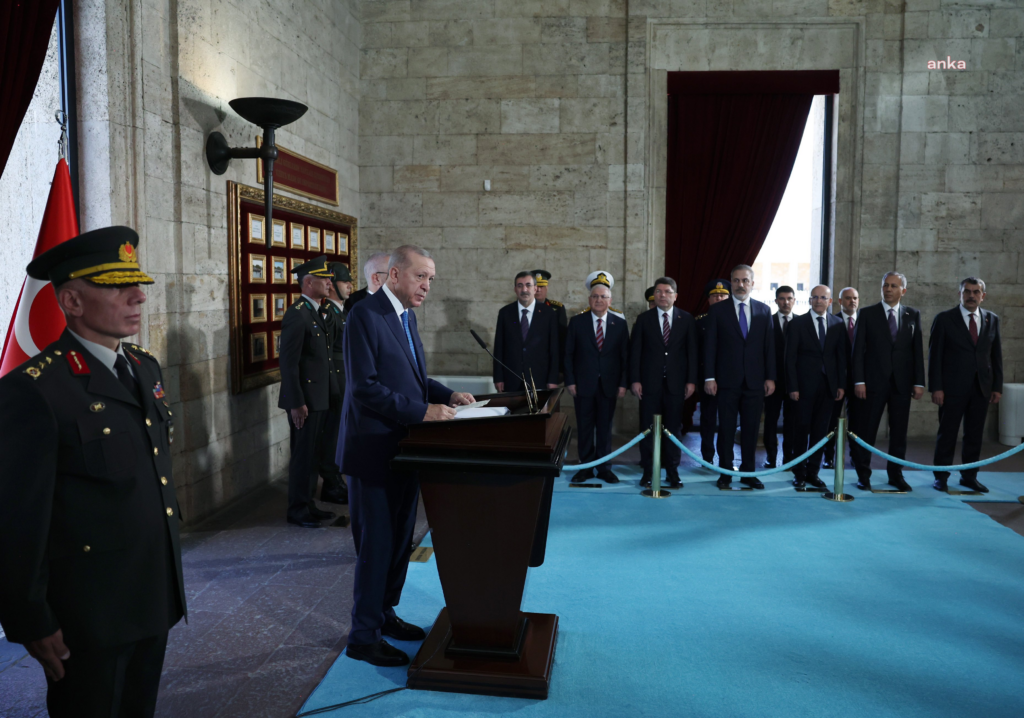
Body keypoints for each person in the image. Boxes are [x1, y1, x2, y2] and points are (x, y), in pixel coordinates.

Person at [0, 226, 186, 718]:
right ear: (72, 301)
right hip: (90, 610)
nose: (138, 296)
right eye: (115, 286)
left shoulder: (144, 367)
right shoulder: (37, 390)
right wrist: (30, 617)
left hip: (151, 590)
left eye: (137, 284)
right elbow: (18, 518)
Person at [338, 245, 474, 667]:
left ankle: (385, 614)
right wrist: (423, 411)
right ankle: (363, 635)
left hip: (403, 450)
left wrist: (445, 394)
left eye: (431, 279)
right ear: (394, 275)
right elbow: (365, 387)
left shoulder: (406, 315)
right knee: (376, 546)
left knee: (400, 542)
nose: (427, 287)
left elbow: (413, 376)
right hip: (372, 452)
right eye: (421, 277)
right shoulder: (365, 314)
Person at [278, 256, 340, 528]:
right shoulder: (297, 313)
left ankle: (308, 504)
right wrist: (296, 402)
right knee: (303, 456)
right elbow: (288, 363)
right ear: (308, 282)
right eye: (324, 278)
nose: (330, 282)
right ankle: (298, 509)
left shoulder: (317, 311)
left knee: (314, 455)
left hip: (321, 398)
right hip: (305, 401)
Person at [850, 273, 925, 492]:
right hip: (872, 383)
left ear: (903, 290)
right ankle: (863, 474)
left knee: (899, 433)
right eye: (885, 285)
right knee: (867, 431)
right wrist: (859, 381)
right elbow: (858, 352)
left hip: (902, 384)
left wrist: (919, 382)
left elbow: (917, 350)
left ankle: (896, 475)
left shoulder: (913, 314)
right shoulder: (867, 313)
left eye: (893, 286)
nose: (888, 289)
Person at [704, 264, 775, 489]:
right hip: (725, 381)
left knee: (751, 429)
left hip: (755, 382)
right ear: (731, 282)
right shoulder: (717, 311)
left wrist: (770, 377)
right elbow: (710, 347)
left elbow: (769, 348)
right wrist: (709, 377)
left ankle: (748, 473)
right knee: (725, 428)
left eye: (745, 280)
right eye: (736, 280)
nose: (741, 284)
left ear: (752, 284)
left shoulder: (764, 311)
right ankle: (725, 472)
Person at [928, 277, 1003, 493]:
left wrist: (996, 387)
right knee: (947, 434)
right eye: (967, 291)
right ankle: (941, 477)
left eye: (976, 292)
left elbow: (996, 356)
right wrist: (937, 387)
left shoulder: (992, 319)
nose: (971, 296)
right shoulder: (944, 319)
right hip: (951, 389)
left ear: (983, 296)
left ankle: (969, 476)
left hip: (981, 388)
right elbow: (935, 357)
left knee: (975, 435)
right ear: (960, 294)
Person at [629, 276, 697, 488]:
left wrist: (691, 381)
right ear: (654, 295)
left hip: (677, 385)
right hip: (649, 385)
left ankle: (673, 472)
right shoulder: (643, 319)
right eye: (659, 291)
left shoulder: (686, 319)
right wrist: (635, 380)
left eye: (667, 292)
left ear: (675, 296)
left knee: (674, 429)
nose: (663, 295)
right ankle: (648, 472)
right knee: (648, 429)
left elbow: (692, 353)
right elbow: (635, 353)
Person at [565, 274, 629, 484]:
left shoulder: (619, 324)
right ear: (589, 299)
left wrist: (622, 383)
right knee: (584, 428)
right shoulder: (576, 322)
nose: (599, 300)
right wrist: (570, 381)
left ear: (610, 301)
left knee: (604, 428)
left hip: (609, 386)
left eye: (603, 296)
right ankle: (585, 467)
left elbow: (624, 357)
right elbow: (569, 355)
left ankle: (604, 467)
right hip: (583, 385)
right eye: (595, 296)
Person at [786, 285, 847, 489]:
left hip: (828, 388)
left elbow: (840, 358)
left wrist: (840, 384)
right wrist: (792, 386)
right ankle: (799, 474)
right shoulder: (797, 323)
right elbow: (790, 358)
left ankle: (813, 472)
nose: (819, 301)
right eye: (815, 297)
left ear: (830, 302)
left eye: (823, 298)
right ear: (809, 300)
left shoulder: (838, 324)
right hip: (803, 388)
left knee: (821, 432)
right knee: (801, 431)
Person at [318, 262, 354, 505]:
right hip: (336, 381)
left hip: (344, 379)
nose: (350, 286)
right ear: (331, 286)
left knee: (339, 433)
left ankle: (336, 480)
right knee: (331, 435)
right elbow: (327, 353)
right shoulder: (328, 314)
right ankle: (331, 483)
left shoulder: (341, 311)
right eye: (345, 282)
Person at [493, 271, 560, 392]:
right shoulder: (505, 313)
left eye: (528, 285)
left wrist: (553, 379)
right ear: (515, 289)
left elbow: (554, 349)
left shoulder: (548, 313)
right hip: (511, 379)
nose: (524, 289)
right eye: (520, 285)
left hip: (540, 379)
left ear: (535, 288)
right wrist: (498, 377)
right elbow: (499, 347)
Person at [822, 286, 861, 469]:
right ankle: (828, 457)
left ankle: (855, 457)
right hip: (835, 381)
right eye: (847, 298)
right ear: (839, 301)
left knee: (856, 422)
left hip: (858, 381)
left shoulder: (864, 321)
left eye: (854, 298)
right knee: (831, 421)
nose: (851, 301)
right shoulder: (831, 321)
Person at [696, 279, 731, 464]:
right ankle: (707, 457)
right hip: (706, 379)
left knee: (728, 421)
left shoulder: (736, 320)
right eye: (715, 296)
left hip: (730, 380)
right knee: (708, 419)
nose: (719, 298)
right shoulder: (700, 322)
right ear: (708, 300)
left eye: (723, 295)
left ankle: (725, 459)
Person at [763, 285, 797, 469]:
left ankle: (788, 458)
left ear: (794, 300)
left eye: (789, 298)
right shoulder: (768, 321)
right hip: (772, 381)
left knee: (791, 421)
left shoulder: (801, 322)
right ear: (776, 301)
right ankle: (771, 456)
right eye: (782, 298)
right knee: (771, 420)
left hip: (793, 383)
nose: (786, 302)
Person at [533, 269, 568, 369]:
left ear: (547, 288)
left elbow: (562, 340)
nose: (538, 290)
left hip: (550, 363)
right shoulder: (522, 308)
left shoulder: (557, 309)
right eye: (535, 286)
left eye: (541, 286)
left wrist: (561, 368)